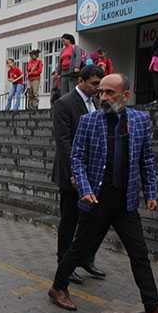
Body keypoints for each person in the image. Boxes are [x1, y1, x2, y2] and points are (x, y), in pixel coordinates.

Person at [49, 73, 158, 313]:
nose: (103, 97)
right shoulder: (89, 121)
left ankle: (152, 307)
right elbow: (77, 158)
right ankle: (58, 287)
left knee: (139, 254)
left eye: (110, 93)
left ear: (125, 96)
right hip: (96, 200)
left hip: (125, 202)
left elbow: (147, 159)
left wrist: (151, 193)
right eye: (101, 92)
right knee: (79, 249)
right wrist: (84, 188)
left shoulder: (140, 120)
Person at [52, 65, 106, 285]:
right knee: (70, 221)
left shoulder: (96, 103)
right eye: (94, 84)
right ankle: (64, 264)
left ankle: (85, 258)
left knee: (93, 221)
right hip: (72, 175)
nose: (98, 88)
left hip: (93, 174)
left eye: (100, 84)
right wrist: (76, 172)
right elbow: (63, 142)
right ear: (81, 81)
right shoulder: (64, 104)